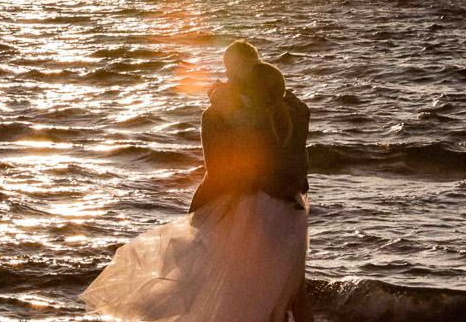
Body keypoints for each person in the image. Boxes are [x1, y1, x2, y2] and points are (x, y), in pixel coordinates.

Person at [82, 40, 313, 322]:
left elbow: (218, 171)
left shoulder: (218, 114)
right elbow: (296, 164)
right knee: (289, 290)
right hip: (292, 209)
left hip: (247, 210)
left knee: (240, 288)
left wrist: (200, 210)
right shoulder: (294, 110)